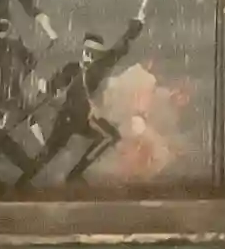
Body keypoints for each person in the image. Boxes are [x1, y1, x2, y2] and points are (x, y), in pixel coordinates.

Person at [30, 17, 145, 184]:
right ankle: (30, 180)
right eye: (88, 52)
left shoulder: (89, 68)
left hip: (79, 119)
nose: (88, 56)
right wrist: (132, 32)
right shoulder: (79, 69)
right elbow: (116, 52)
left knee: (109, 136)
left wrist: (132, 31)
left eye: (92, 53)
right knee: (49, 152)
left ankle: (73, 175)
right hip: (69, 119)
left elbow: (117, 51)